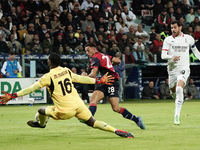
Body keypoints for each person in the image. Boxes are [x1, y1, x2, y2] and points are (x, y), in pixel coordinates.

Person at [0, 53, 133, 138]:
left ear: (49, 62)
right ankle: (117, 131)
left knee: (41, 110)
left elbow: (31, 88)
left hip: (65, 110)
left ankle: (41, 125)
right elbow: (81, 79)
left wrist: (14, 95)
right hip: (79, 105)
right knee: (93, 122)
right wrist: (98, 80)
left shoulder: (48, 76)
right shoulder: (66, 70)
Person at [84, 43, 145, 130]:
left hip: (111, 81)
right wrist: (109, 66)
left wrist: (83, 77)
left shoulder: (95, 57)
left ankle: (136, 119)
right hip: (105, 80)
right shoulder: (104, 55)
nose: (87, 53)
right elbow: (118, 61)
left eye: (88, 50)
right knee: (93, 99)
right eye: (86, 51)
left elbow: (93, 75)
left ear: (94, 49)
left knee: (116, 108)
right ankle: (89, 119)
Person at [161, 20, 200, 125]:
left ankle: (176, 115)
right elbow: (163, 55)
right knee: (174, 91)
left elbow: (195, 51)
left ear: (180, 27)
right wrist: (171, 57)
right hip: (172, 70)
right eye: (171, 28)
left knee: (179, 88)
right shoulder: (168, 40)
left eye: (174, 27)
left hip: (184, 68)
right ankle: (177, 101)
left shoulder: (189, 39)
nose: (173, 29)